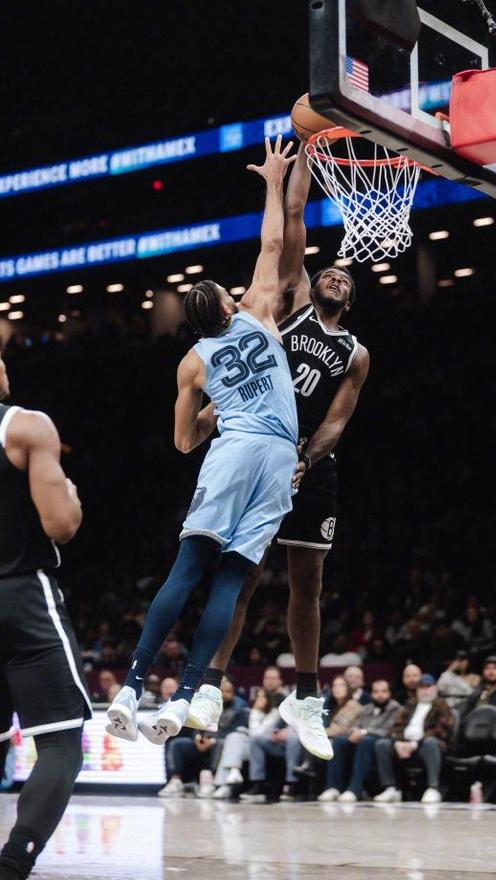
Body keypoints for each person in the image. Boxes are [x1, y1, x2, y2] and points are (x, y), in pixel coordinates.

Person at [106, 136, 299, 745]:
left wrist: (217, 409)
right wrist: (274, 181)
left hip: (235, 450)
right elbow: (273, 245)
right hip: (279, 458)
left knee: (188, 567)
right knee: (230, 581)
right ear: (226, 305)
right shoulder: (258, 312)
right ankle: (184, 695)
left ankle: (131, 686)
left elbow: (183, 442)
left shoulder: (191, 363)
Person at [188, 143, 370, 761]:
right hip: (259, 453)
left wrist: (307, 460)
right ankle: (209, 686)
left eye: (346, 278)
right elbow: (292, 218)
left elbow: (337, 422)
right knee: (242, 576)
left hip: (309, 465)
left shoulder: (356, 354)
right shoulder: (290, 307)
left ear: (351, 298)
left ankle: (307, 698)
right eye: (329, 272)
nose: (336, 275)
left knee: (307, 583)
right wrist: (305, 153)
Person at [0, 350, 90, 880]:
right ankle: (14, 862)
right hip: (21, 596)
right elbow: (60, 525)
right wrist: (71, 497)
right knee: (60, 742)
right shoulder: (25, 426)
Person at [159, 678, 248, 799]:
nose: (224, 694)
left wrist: (212, 741)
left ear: (233, 693)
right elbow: (196, 722)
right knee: (177, 744)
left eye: (228, 691)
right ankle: (176, 781)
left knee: (220, 744)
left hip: (220, 742)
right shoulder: (209, 705)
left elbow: (234, 730)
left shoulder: (239, 708)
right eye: (222, 691)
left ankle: (211, 782)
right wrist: (197, 738)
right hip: (202, 741)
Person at [374, 675, 454, 804]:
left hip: (427, 745)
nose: (425, 691)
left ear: (435, 689)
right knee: (382, 744)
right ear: (417, 690)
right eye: (421, 688)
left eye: (428, 687)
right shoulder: (410, 704)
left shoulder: (442, 706)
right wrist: (397, 742)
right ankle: (391, 788)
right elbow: (396, 727)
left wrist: (415, 744)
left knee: (430, 742)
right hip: (404, 744)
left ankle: (433, 788)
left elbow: (442, 731)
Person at [318, 679, 400, 803]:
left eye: (384, 691)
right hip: (362, 738)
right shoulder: (366, 708)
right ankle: (333, 787)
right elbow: (355, 725)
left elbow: (388, 730)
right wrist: (355, 731)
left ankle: (354, 789)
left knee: (365, 741)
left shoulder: (395, 708)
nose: (380, 695)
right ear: (371, 693)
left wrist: (363, 732)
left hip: (381, 741)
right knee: (339, 741)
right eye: (376, 691)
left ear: (390, 693)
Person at [212, 687, 280, 799]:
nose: (259, 700)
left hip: (265, 747)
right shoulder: (253, 712)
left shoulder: (274, 713)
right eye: (257, 697)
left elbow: (257, 733)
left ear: (269, 699)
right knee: (233, 736)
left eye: (262, 697)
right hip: (252, 747)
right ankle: (233, 773)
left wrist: (255, 712)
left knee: (236, 743)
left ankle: (222, 785)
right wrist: (255, 712)